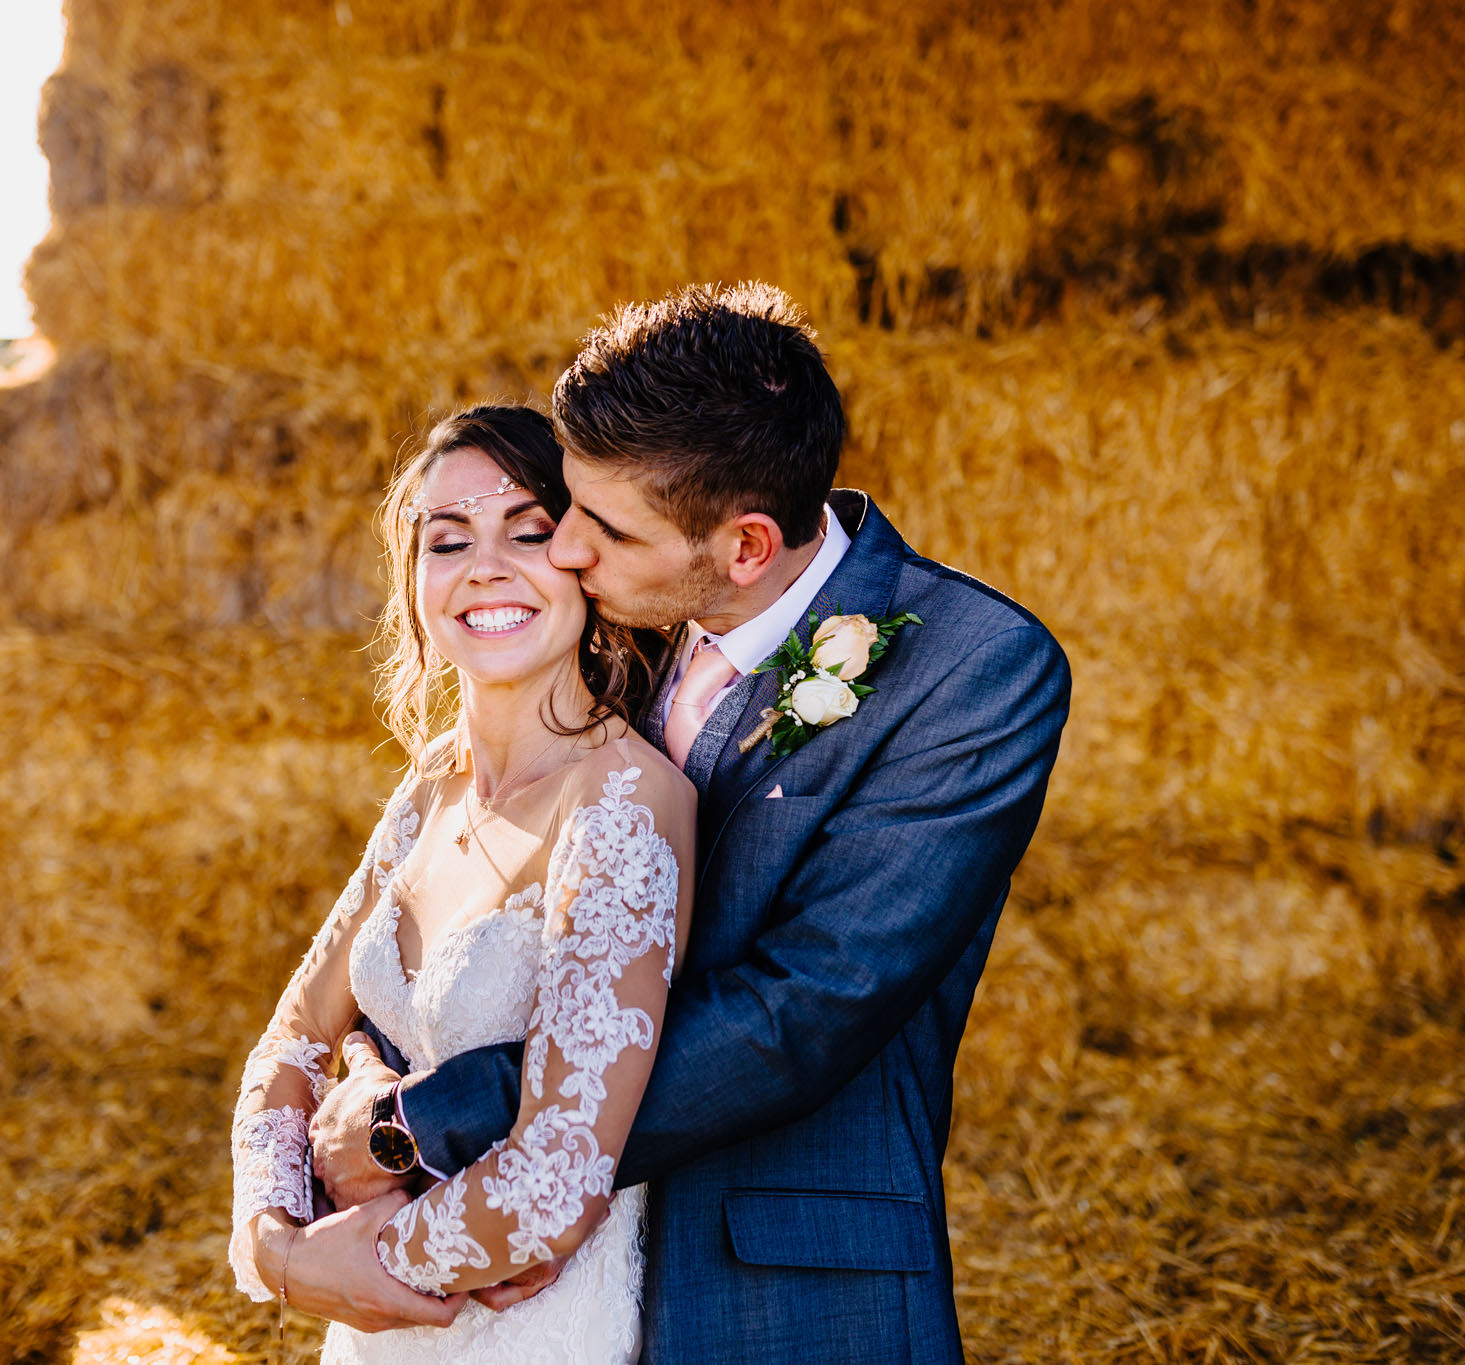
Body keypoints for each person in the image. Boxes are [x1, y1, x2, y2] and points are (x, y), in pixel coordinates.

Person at [306, 282, 1072, 1364]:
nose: (562, 550)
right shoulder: (618, 614)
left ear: (745, 547)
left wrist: (431, 1121)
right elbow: (477, 889)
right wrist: (374, 1084)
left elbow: (806, 1008)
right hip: (508, 1267)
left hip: (774, 1281)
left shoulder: (971, 670)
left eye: (601, 528)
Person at [229, 404, 698, 1363]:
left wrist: (355, 1262)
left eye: (527, 532)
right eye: (448, 541)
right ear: (414, 582)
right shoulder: (430, 783)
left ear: (585, 562)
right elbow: (292, 1037)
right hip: (371, 1337)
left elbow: (560, 1174)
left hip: (532, 1331)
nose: (486, 565)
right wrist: (272, 1241)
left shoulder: (623, 802)